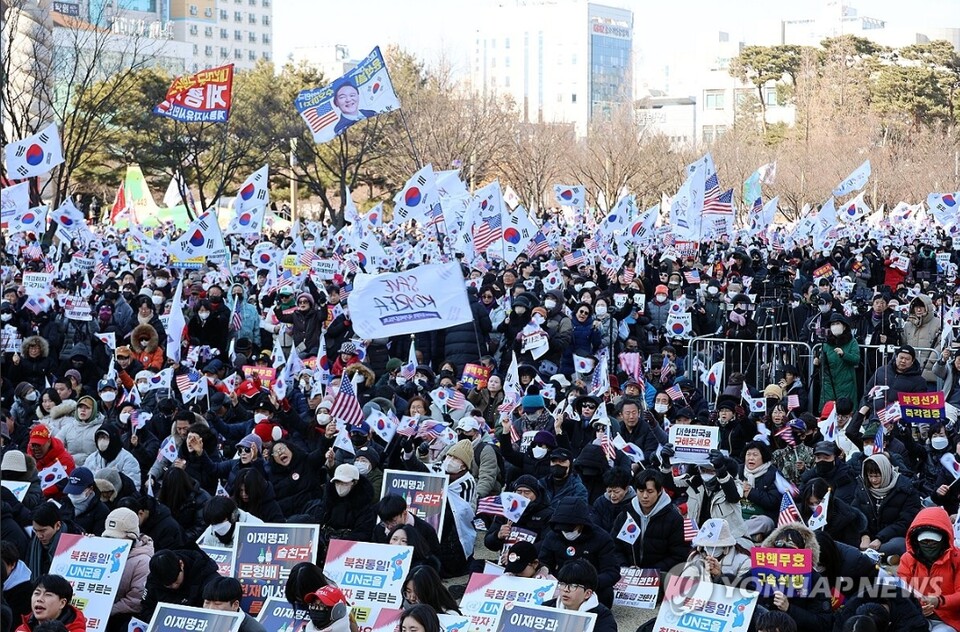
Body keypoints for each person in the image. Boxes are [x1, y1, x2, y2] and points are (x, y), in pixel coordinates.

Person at [537, 497, 622, 607]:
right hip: (562, 587)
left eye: (570, 529)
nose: (566, 532)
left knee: (606, 593)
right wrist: (545, 574)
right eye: (563, 529)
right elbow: (544, 562)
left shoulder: (602, 539)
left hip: (590, 589)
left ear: (581, 524)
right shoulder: (553, 536)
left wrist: (586, 585)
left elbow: (612, 572)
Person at [609, 468, 689, 571]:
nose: (645, 496)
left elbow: (679, 555)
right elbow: (614, 547)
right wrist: (625, 566)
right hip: (627, 573)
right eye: (641, 491)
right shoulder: (626, 514)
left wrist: (651, 571)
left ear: (659, 491)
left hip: (659, 575)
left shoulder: (673, 518)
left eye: (650, 491)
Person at [897, 507, 960, 632]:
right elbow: (901, 591)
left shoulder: (957, 560)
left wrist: (939, 601)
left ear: (945, 538)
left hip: (949, 620)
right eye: (924, 541)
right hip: (916, 616)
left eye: (933, 541)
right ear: (916, 539)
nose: (928, 545)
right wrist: (918, 606)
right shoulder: (907, 559)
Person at [852, 453, 921, 559]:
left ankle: (870, 556)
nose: (873, 480)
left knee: (897, 545)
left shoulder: (906, 490)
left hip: (892, 537)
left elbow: (905, 522)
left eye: (877, 476)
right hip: (867, 538)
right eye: (870, 476)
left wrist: (880, 538)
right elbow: (856, 514)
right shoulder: (863, 489)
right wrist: (864, 535)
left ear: (885, 473)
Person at [101, 507, 153, 626]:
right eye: (108, 538)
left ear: (131, 537)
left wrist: (105, 611)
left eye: (115, 538)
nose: (111, 542)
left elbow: (135, 600)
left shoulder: (143, 562)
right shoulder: (103, 551)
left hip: (120, 619)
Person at [141, 549, 221, 622]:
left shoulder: (206, 576)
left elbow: (214, 614)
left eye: (175, 581)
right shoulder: (153, 581)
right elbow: (146, 608)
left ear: (181, 564)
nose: (174, 586)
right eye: (168, 585)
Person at [542, 559, 617, 632]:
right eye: (562, 584)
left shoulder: (602, 617)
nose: (566, 589)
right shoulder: (546, 608)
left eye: (573, 586)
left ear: (588, 593)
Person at [15, 574, 87, 632]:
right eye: (37, 593)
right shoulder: (22, 629)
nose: (39, 599)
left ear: (62, 603)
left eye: (48, 595)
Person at [203, 576, 267, 632]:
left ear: (235, 605)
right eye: (207, 602)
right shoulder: (199, 621)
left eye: (217, 604)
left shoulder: (253, 630)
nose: (210, 608)